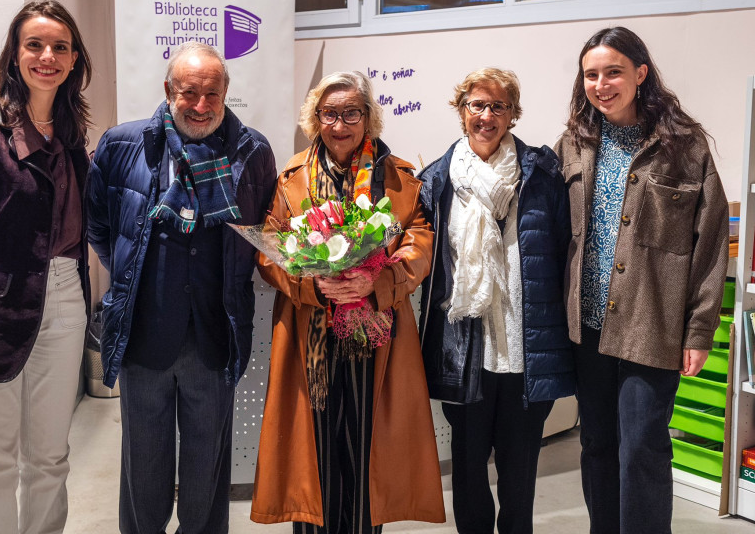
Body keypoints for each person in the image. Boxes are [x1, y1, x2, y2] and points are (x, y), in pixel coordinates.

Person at [86, 41, 276, 534]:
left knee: (206, 472)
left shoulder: (252, 150)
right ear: (167, 89)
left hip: (214, 335)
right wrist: (132, 276)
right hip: (144, 335)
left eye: (212, 94)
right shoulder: (123, 144)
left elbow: (265, 232)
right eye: (189, 92)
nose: (200, 105)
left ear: (226, 94)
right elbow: (101, 227)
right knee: (142, 467)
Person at [250, 71, 445, 533]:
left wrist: (372, 286)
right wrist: (313, 287)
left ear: (368, 117)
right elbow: (269, 250)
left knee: (366, 448)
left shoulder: (399, 178)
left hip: (376, 336)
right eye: (329, 114)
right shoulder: (291, 178)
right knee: (313, 455)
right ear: (315, 118)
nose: (340, 125)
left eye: (351, 113)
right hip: (309, 336)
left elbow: (419, 247)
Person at [555, 26, 728, 534]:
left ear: (641, 74)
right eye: (592, 74)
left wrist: (699, 330)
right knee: (597, 445)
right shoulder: (573, 144)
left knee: (643, 448)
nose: (601, 84)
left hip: (652, 327)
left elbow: (710, 242)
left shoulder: (685, 147)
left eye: (614, 72)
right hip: (588, 327)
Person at [417, 68, 575, 534]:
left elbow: (565, 252)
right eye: (476, 105)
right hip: (464, 349)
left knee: (520, 471)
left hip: (526, 352)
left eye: (498, 106)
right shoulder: (437, 181)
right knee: (467, 471)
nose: (486, 116)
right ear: (461, 110)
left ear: (513, 114)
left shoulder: (543, 175)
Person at [0, 0, 92, 533]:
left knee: (50, 458)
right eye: (34, 44)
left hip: (64, 297)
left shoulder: (74, 135)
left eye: (60, 46)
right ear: (15, 54)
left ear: (74, 58)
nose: (47, 56)